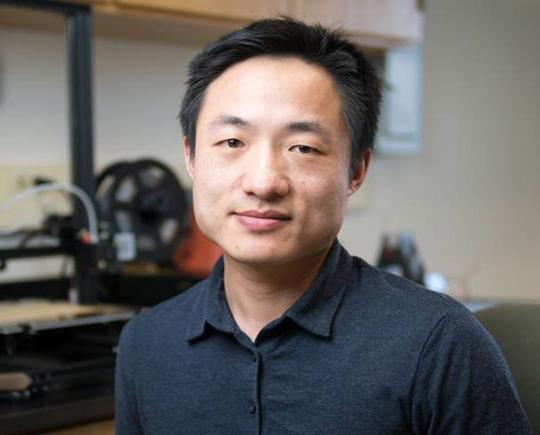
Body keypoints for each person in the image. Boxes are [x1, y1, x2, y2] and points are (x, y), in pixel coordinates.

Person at [115, 17, 532, 434]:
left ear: (356, 170)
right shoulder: (145, 345)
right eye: (232, 142)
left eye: (303, 147)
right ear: (191, 157)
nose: (263, 182)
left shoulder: (440, 344)